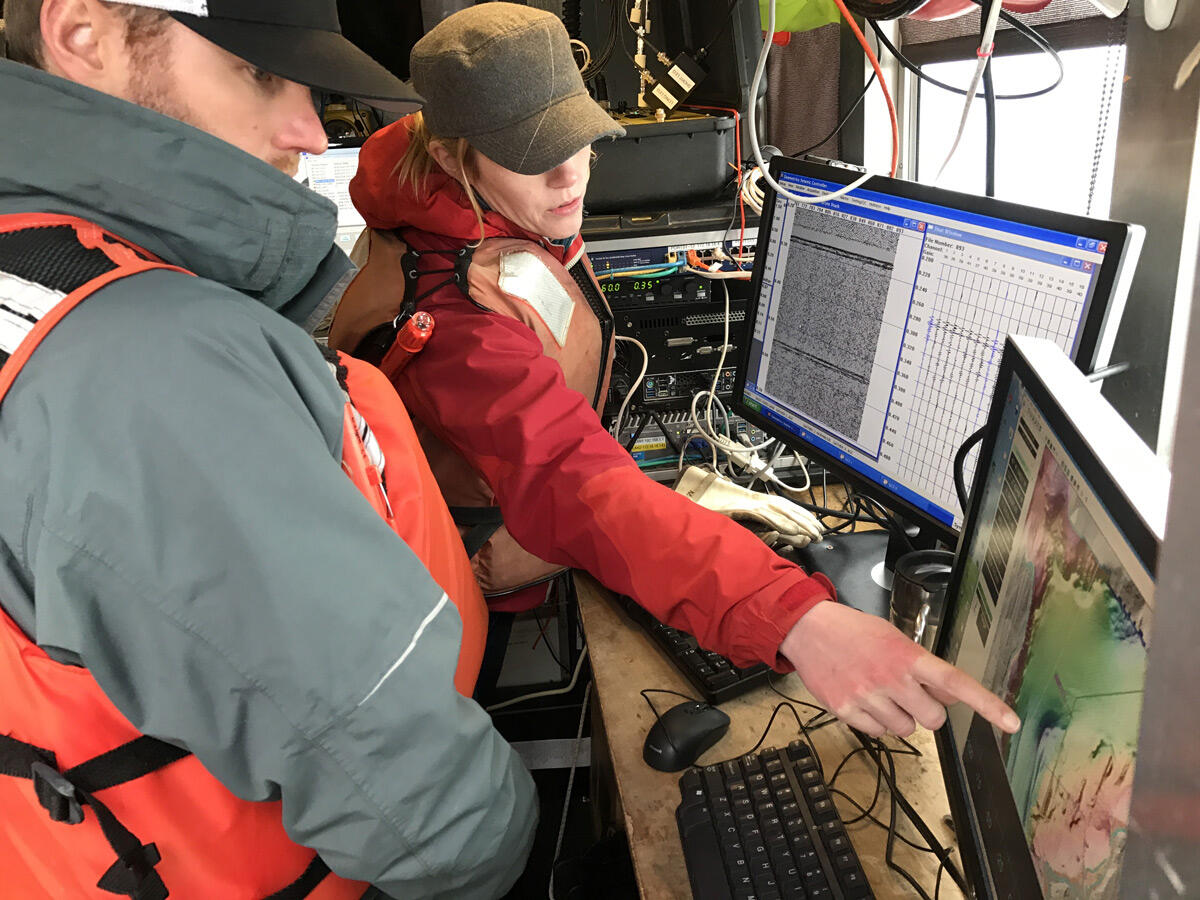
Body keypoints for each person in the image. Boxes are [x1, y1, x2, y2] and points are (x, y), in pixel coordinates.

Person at [334, 3, 1021, 742]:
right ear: (450, 156)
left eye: (579, 139)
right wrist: (800, 621)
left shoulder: (477, 214)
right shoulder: (456, 325)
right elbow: (575, 484)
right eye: (533, 152)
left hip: (529, 520)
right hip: (475, 588)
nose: (571, 175)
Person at [0, 2, 537, 897]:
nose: (307, 128)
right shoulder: (147, 362)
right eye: (257, 72)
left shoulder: (42, 277)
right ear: (82, 34)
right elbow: (430, 820)